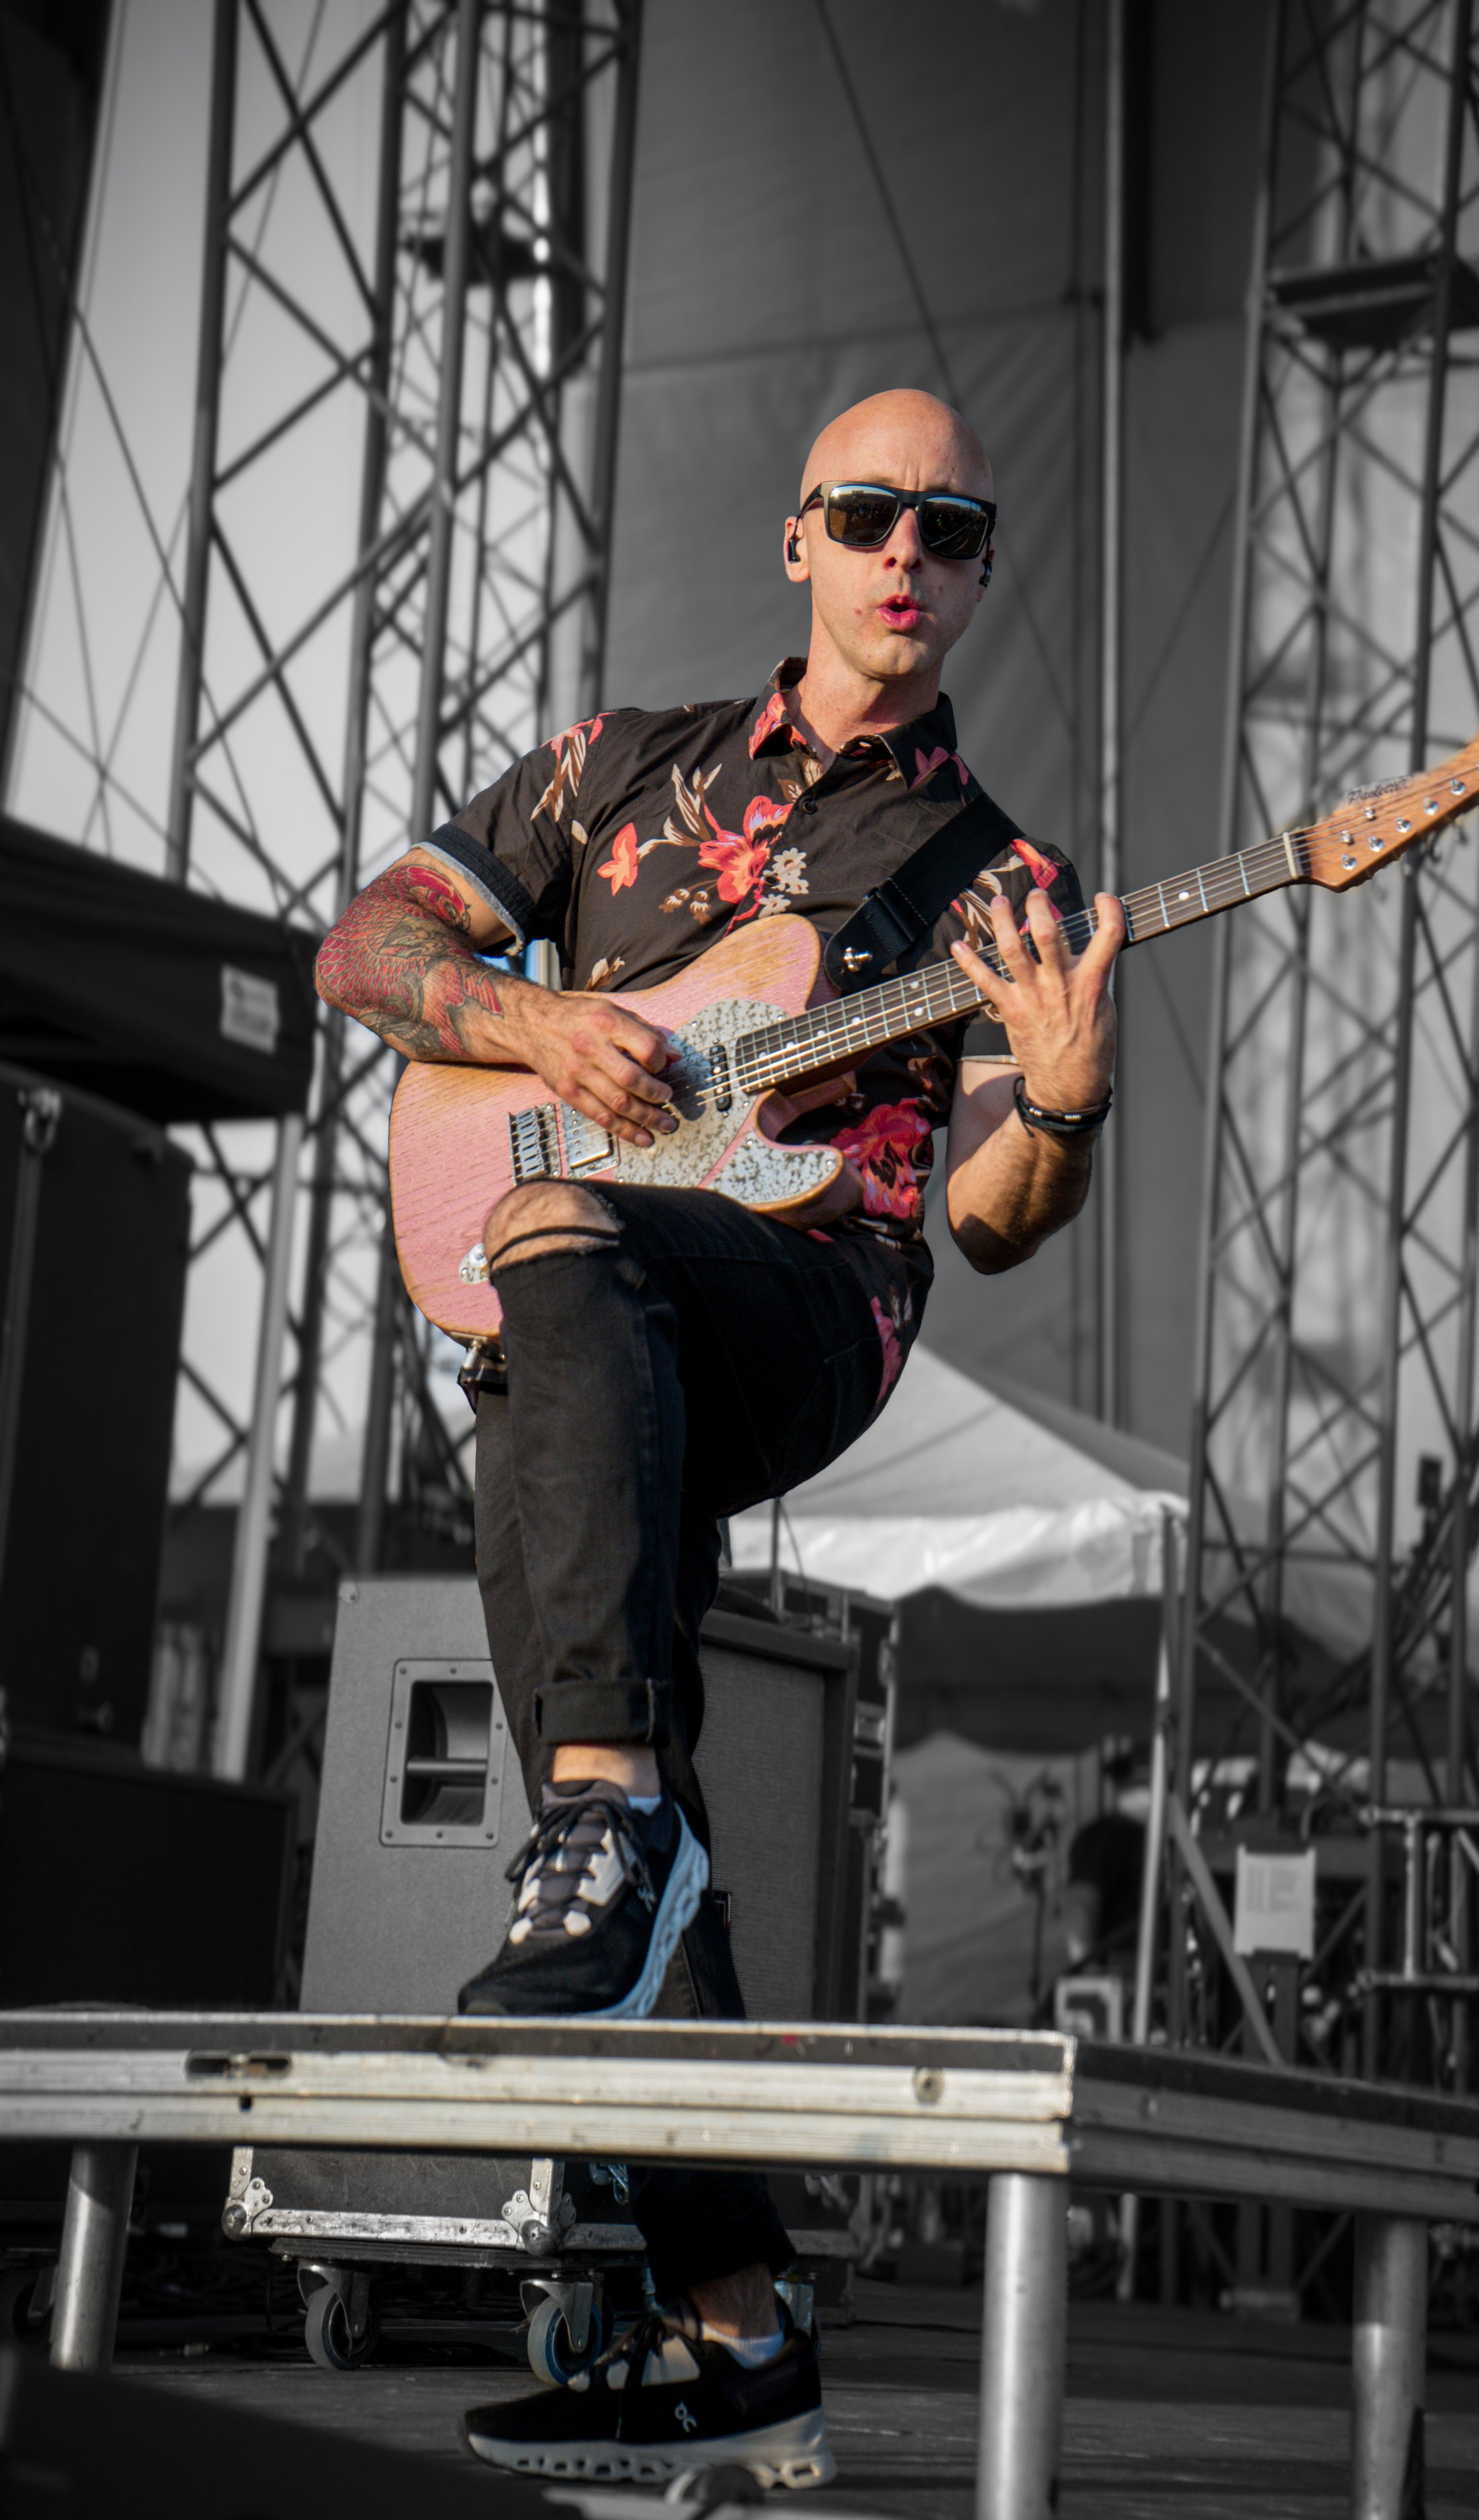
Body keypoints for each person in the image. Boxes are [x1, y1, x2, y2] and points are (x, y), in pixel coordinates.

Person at [315, 388, 1123, 2490]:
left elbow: (989, 1224)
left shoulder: (996, 878)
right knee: (620, 1767)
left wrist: (1056, 1101)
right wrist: (523, 1019)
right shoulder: (616, 771)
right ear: (799, 540)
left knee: (571, 1254)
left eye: (950, 528)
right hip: (575, 1308)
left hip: (807, 1297)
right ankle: (737, 2332)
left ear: (967, 571)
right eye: (869, 514)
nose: (905, 555)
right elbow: (367, 946)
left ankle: (612, 1818)